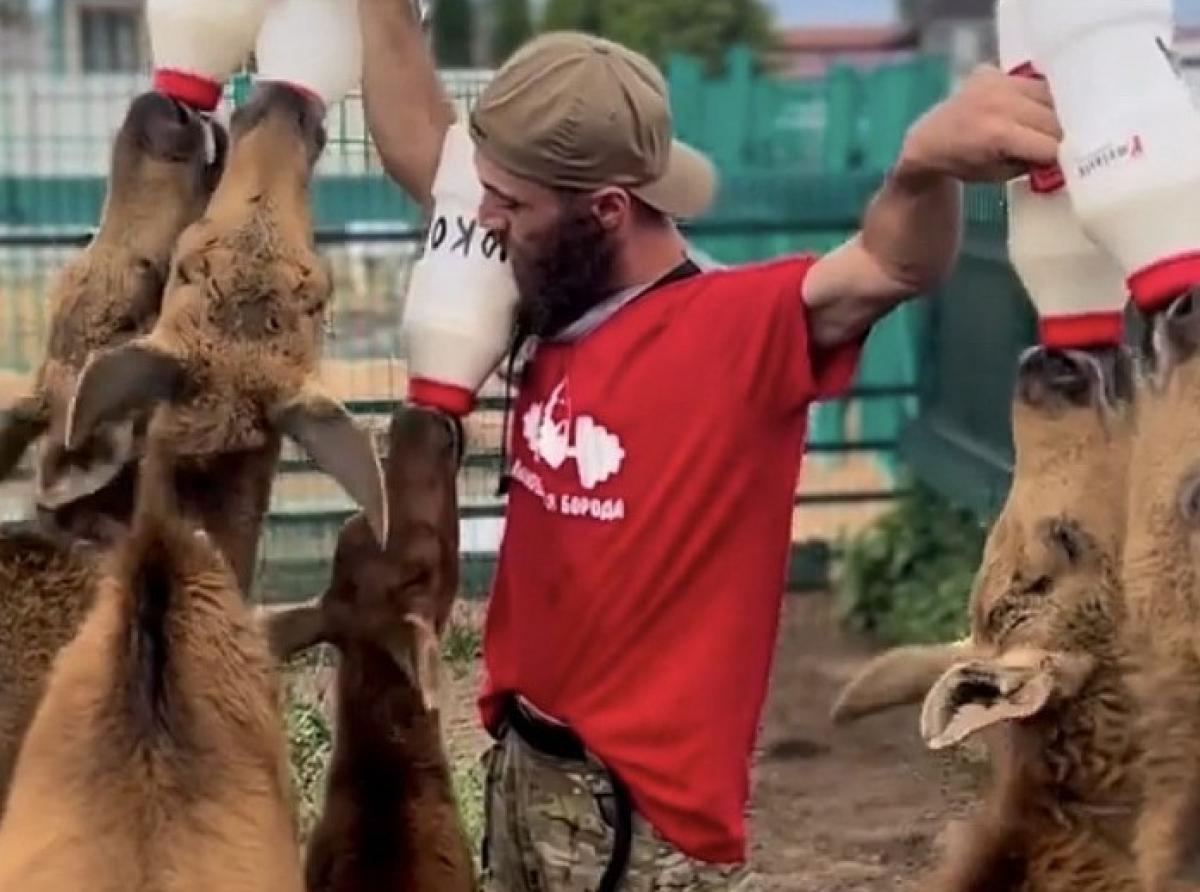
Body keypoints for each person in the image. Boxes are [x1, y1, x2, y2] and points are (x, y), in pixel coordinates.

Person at [359, 2, 1063, 889]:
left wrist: (922, 166)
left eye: (508, 204)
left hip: (638, 824)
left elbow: (890, 267)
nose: (480, 220)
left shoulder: (732, 329)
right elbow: (421, 142)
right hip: (524, 766)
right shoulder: (546, 277)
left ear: (607, 210)